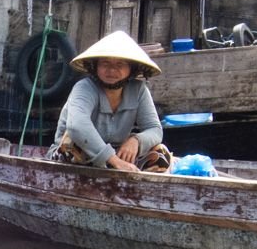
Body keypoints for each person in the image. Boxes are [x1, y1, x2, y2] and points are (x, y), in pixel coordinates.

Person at [47, 30, 171, 173]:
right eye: (105, 63)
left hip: (116, 156)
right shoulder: (85, 87)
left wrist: (136, 140)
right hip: (75, 157)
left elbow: (155, 129)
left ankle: (131, 192)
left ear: (131, 69)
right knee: (72, 144)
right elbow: (77, 126)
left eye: (120, 64)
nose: (111, 70)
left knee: (161, 153)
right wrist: (114, 160)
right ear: (96, 66)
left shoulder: (139, 90)